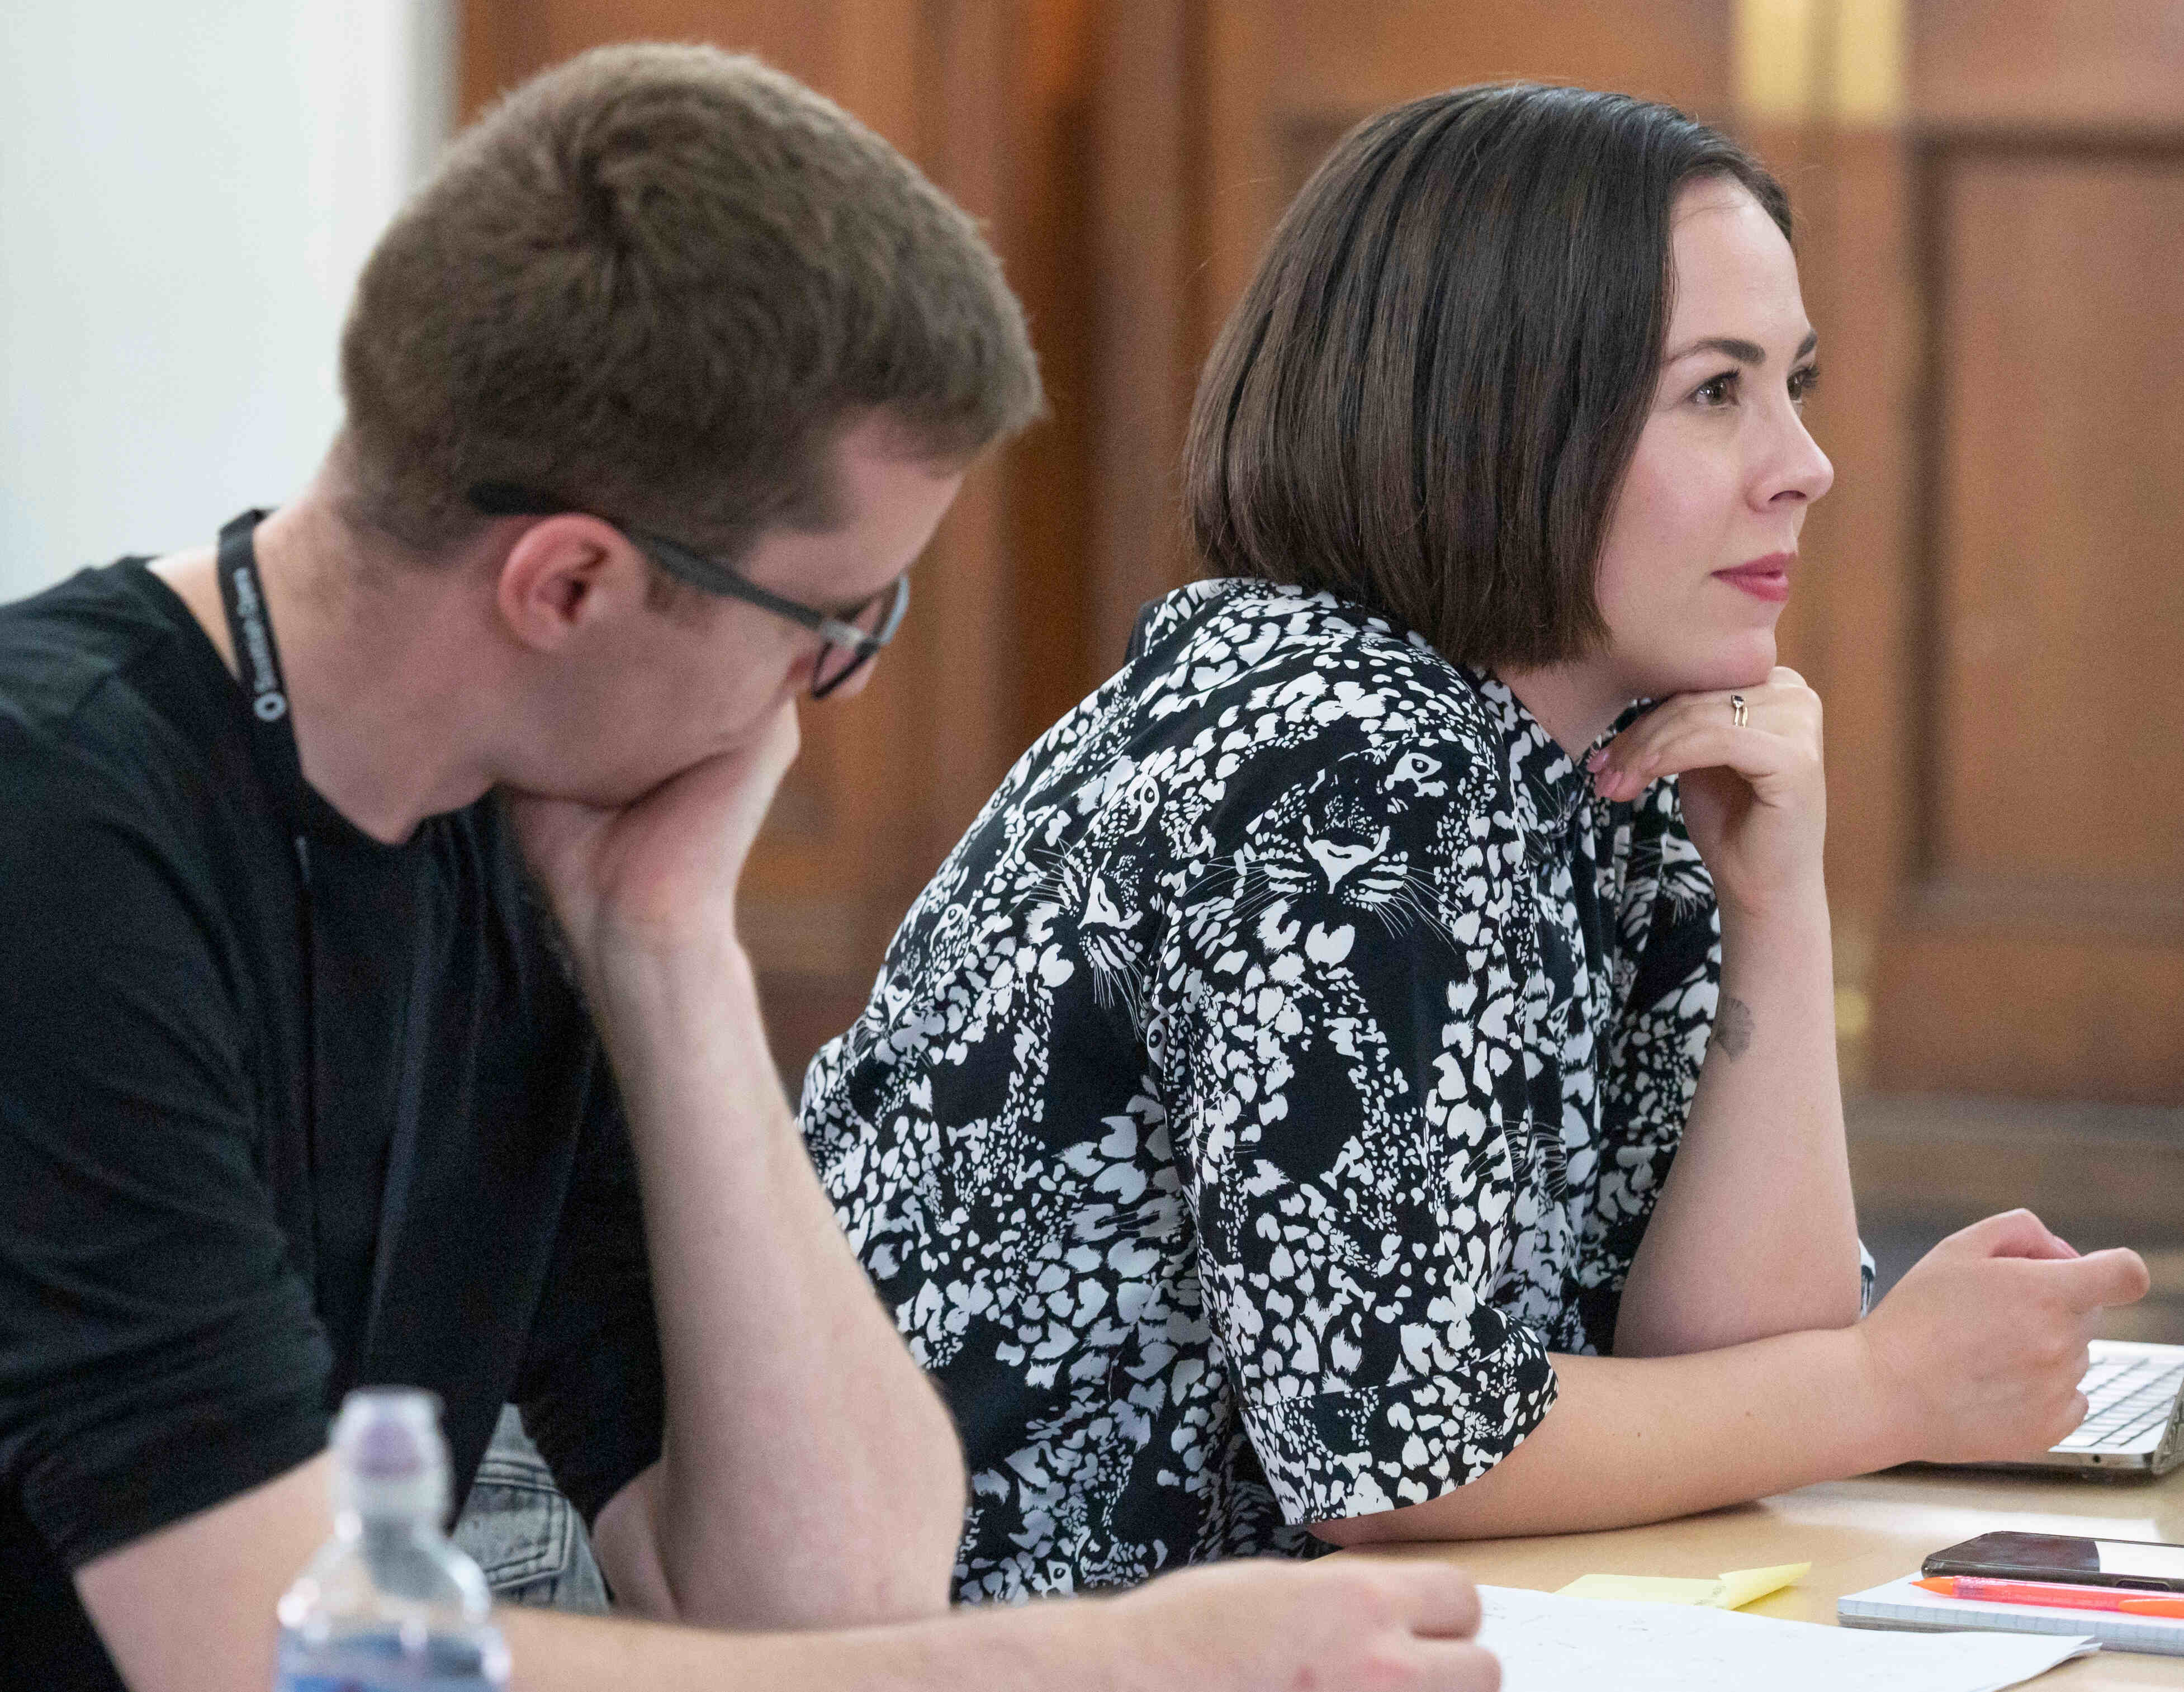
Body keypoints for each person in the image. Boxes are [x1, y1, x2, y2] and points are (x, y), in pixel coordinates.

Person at [0, 43, 1496, 1692]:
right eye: (834, 623)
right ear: (571, 582)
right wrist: (1094, 1659)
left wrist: (666, 964)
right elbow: (274, 1655)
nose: (825, 693)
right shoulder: (1, 842)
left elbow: (816, 1593)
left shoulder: (508, 846)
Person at [798, 81, 2154, 1601]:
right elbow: (1395, 1456)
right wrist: (1893, 1386)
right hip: (920, 1640)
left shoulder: (1602, 742)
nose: (1801, 461)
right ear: (1501, 415)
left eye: (1794, 384)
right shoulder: (1339, 762)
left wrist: (1775, 900)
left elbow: (1731, 1369)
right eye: (1716, 391)